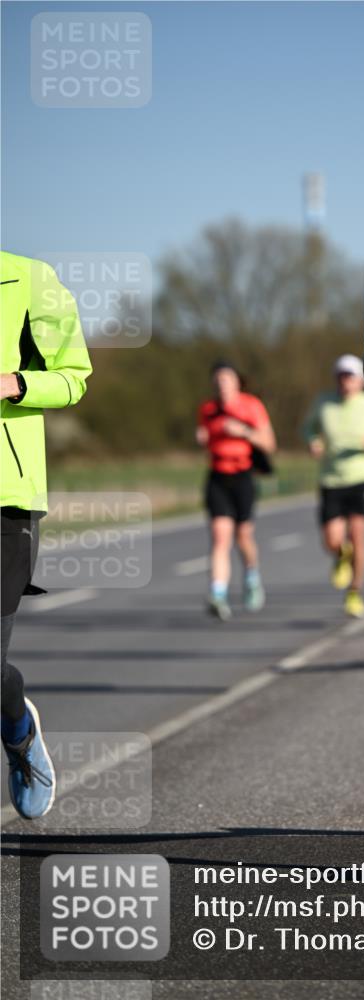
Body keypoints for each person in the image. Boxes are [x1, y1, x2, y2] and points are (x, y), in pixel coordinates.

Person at [1, 250, 92, 819]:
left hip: (5, 496)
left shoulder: (27, 277)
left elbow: (73, 376)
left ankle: (17, 729)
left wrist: (15, 382)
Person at [303, 354, 364, 618]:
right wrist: (313, 441)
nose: (345, 381)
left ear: (360, 380)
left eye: (350, 376)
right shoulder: (323, 403)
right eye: (340, 376)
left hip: (360, 477)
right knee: (331, 539)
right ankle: (341, 556)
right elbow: (307, 429)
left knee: (358, 535)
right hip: (330, 479)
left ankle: (354, 592)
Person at [197, 360, 276, 620]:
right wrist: (202, 440)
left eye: (226, 380)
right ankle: (217, 594)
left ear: (236, 382)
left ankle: (252, 576)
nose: (221, 385)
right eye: (217, 381)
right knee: (220, 537)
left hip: (243, 476)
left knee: (243, 535)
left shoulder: (250, 406)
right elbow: (205, 438)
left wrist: (243, 431)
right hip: (218, 477)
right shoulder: (208, 410)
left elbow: (269, 444)